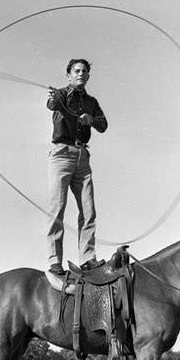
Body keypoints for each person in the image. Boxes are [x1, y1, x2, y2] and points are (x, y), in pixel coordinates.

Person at [46, 58, 108, 275]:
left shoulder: (92, 102)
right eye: (76, 70)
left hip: (82, 156)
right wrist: (55, 98)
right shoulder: (61, 94)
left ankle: (88, 259)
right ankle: (55, 261)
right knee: (57, 208)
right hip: (61, 154)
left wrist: (90, 119)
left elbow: (103, 125)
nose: (80, 73)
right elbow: (52, 105)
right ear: (69, 74)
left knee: (88, 210)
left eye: (84, 71)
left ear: (88, 76)